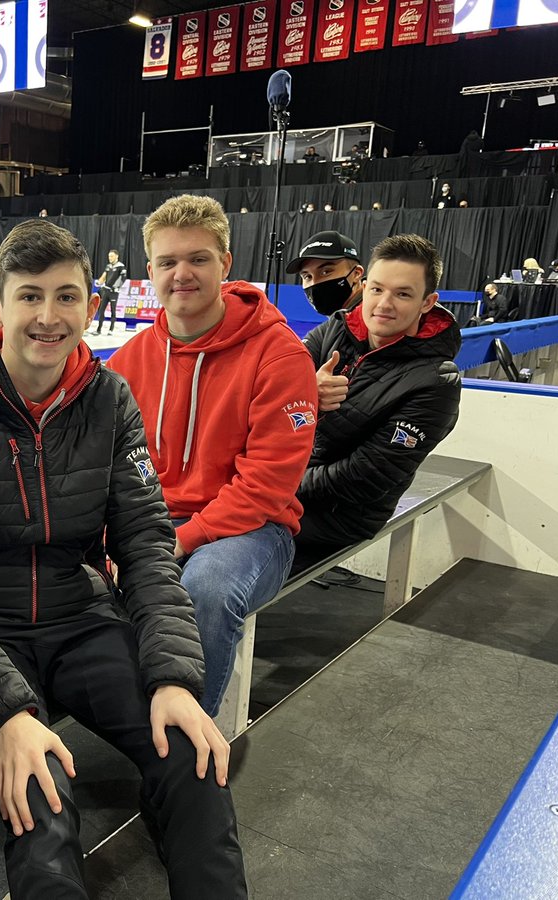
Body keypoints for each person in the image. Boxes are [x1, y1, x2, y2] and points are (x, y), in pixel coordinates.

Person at [0, 218, 247, 898]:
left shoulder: (108, 398)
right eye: (30, 296)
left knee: (187, 751)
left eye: (66, 297)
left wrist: (174, 676)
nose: (48, 316)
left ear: (91, 307)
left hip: (80, 619)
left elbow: (147, 544)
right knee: (44, 792)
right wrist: (8, 713)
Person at [107, 195, 318, 716]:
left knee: (206, 588)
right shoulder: (128, 361)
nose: (182, 273)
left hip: (251, 529)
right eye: (168, 261)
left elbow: (266, 486)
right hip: (155, 522)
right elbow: (108, 468)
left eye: (198, 259)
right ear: (149, 270)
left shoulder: (281, 355)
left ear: (224, 264)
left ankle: (188, 753)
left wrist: (180, 540)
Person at [294, 234, 462, 560]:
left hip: (340, 515)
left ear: (427, 302)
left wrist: (277, 482)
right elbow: (268, 390)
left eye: (402, 294)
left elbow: (364, 478)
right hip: (283, 482)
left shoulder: (438, 382)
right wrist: (305, 392)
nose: (384, 304)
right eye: (377, 289)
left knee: (214, 538)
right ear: (365, 284)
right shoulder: (336, 328)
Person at [286, 230, 364, 316]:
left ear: (356, 274)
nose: (314, 283)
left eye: (325, 272)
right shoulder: (337, 323)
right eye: (308, 276)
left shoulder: (373, 320)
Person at [93, 247, 128, 334]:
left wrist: (117, 287)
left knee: (113, 310)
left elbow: (123, 279)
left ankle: (111, 329)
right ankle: (98, 330)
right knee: (101, 310)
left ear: (117, 256)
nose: (110, 258)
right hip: (106, 291)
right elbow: (104, 276)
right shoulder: (108, 266)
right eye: (109, 256)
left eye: (111, 256)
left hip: (114, 292)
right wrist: (99, 282)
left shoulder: (121, 266)